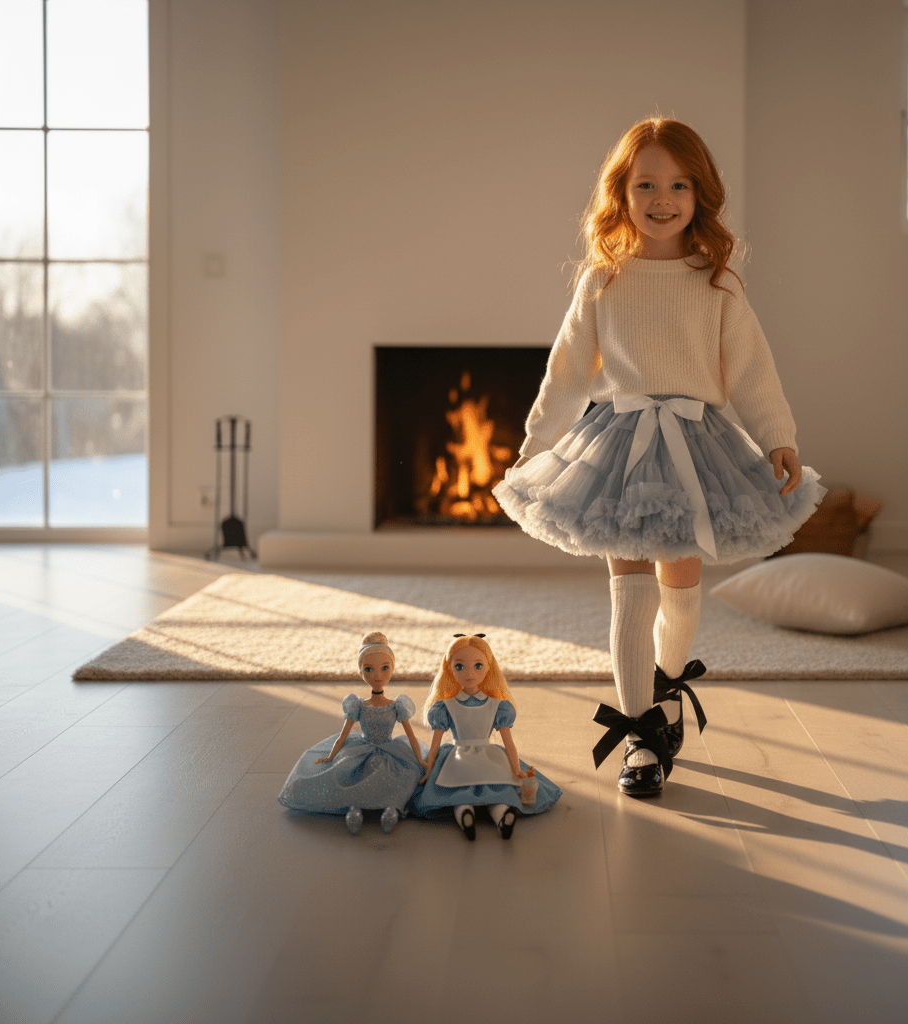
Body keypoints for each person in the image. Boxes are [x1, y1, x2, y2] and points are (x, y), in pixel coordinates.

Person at [492, 118, 825, 798]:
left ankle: (667, 685)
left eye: (678, 185)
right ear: (621, 193)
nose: (662, 199)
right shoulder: (602, 279)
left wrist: (778, 436)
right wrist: (537, 443)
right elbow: (566, 373)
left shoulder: (718, 283)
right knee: (631, 587)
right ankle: (641, 732)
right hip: (618, 446)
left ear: (700, 194)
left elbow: (752, 370)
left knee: (681, 587)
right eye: (645, 185)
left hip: (698, 446)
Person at [410, 634, 561, 840]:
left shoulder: (447, 706)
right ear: (449, 669)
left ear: (489, 667)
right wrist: (514, 767)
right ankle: (499, 813)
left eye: (478, 666)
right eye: (460, 666)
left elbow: (436, 745)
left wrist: (430, 768)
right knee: (497, 789)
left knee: (458, 792)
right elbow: (508, 744)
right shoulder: (495, 706)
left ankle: (467, 814)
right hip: (490, 757)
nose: (469, 673)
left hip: (457, 758)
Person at [277, 631, 427, 833]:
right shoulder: (357, 704)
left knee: (400, 775)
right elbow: (343, 735)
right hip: (362, 749)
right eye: (369, 669)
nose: (377, 676)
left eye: (384, 668)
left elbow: (411, 736)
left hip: (390, 750)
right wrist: (330, 756)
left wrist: (420, 760)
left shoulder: (397, 705)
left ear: (392, 669)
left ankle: (392, 807)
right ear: (361, 673)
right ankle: (355, 806)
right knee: (351, 773)